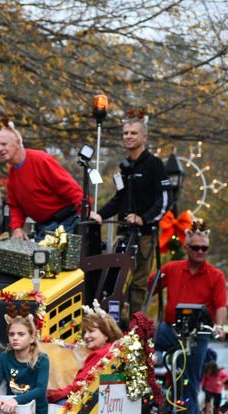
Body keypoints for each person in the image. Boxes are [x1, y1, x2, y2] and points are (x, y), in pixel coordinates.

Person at [90, 109, 170, 316]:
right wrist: (99, 214)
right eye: (125, 133)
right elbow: (119, 198)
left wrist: (143, 218)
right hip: (123, 233)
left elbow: (165, 200)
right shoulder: (125, 167)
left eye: (133, 133)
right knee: (115, 280)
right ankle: (115, 324)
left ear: (144, 136)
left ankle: (135, 332)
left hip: (144, 236)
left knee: (138, 284)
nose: (128, 136)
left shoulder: (154, 164)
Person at [150, 221, 227, 414]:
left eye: (204, 248)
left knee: (190, 380)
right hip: (169, 329)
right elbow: (147, 288)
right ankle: (150, 399)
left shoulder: (216, 276)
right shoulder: (172, 269)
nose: (200, 251)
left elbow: (221, 306)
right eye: (195, 247)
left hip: (197, 334)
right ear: (186, 248)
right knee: (142, 347)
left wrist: (219, 326)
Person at [0, 122, 83, 240]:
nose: (0, 149)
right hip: (43, 228)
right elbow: (15, 206)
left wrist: (86, 213)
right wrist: (16, 228)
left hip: (66, 223)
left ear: (17, 142)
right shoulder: (12, 176)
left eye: (4, 144)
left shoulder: (40, 160)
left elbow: (68, 186)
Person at [47, 303, 123, 403]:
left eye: (91, 331)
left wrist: (52, 395)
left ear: (106, 334)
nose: (86, 336)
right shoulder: (113, 350)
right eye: (85, 332)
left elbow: (79, 386)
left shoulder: (100, 354)